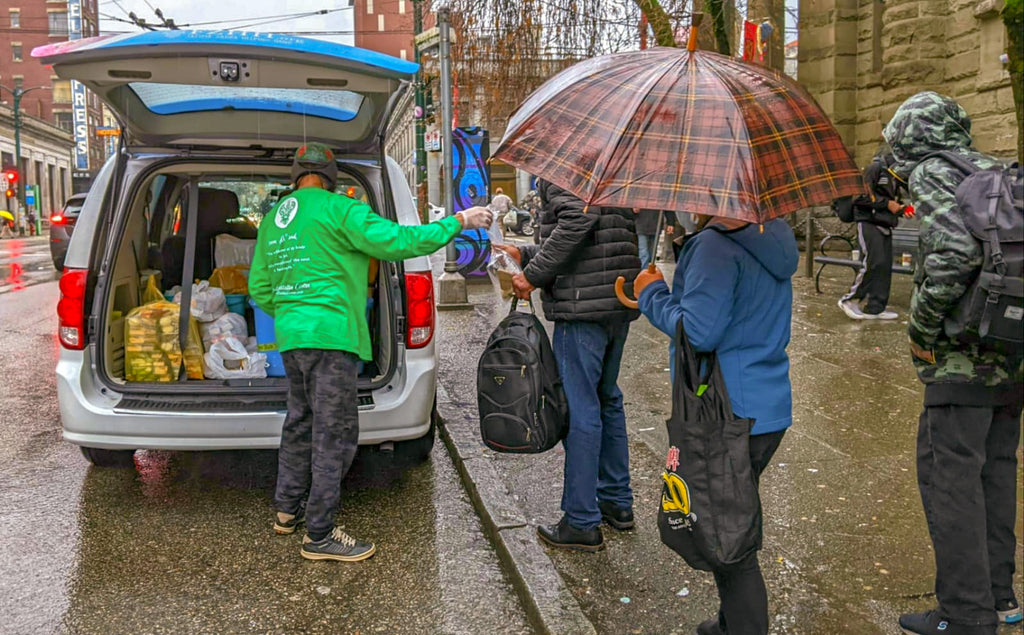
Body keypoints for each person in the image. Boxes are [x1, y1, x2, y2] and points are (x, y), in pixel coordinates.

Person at [249, 142, 493, 562]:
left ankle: (286, 510)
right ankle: (319, 534)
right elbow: (399, 242)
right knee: (334, 432)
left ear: (294, 178)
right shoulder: (341, 210)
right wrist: (458, 221)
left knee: (300, 421)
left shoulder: (273, 220)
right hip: (333, 338)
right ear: (330, 178)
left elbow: (259, 290)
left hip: (292, 338)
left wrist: (295, 312)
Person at [882, 92, 1024, 635]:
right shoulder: (992, 168)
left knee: (951, 479)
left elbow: (954, 255)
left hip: (962, 358)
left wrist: (921, 328)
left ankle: (965, 614)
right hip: (1011, 347)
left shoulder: (933, 174)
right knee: (997, 471)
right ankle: (1000, 597)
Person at [633, 213, 798, 635]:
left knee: (730, 540)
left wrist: (652, 294)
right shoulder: (770, 235)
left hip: (727, 412)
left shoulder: (714, 245)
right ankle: (730, 623)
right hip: (765, 403)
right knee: (731, 518)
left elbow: (700, 332)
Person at [494, 179, 641, 552]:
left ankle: (580, 519)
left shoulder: (568, 170)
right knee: (607, 399)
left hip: (582, 306)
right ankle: (616, 501)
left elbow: (577, 222)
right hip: (616, 298)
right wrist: (526, 254)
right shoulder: (609, 169)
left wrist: (531, 275)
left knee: (581, 408)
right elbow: (591, 233)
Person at [838, 148, 914, 320]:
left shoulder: (897, 179)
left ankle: (875, 308)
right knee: (873, 261)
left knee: (884, 266)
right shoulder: (875, 169)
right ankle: (850, 299)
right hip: (868, 222)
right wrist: (887, 204)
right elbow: (859, 197)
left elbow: (893, 203)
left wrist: (901, 209)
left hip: (885, 223)